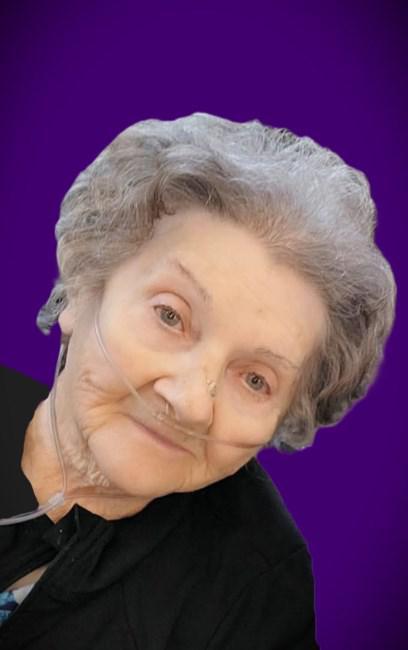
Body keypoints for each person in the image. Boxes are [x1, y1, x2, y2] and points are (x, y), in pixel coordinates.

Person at [0, 113, 396, 649]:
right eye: (170, 316)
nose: (190, 403)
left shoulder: (255, 597)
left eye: (255, 380)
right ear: (80, 289)